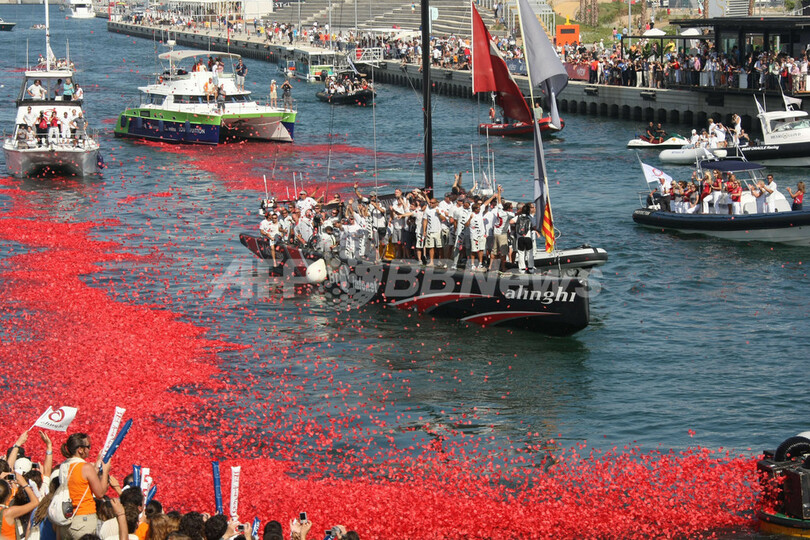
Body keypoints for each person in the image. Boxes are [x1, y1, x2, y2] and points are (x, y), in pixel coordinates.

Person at [58, 433, 113, 540]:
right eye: (88, 447)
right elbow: (100, 493)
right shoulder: (86, 467)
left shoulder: (64, 466)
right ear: (80, 450)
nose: (89, 449)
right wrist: (105, 471)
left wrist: (96, 468)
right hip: (83, 518)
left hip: (66, 520)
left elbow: (79, 483)